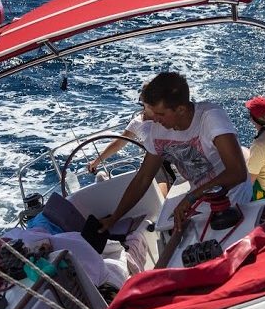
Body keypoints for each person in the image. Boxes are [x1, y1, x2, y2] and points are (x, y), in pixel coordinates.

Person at [99, 72, 249, 231]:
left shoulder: (211, 117)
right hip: (199, 203)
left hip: (234, 200)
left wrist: (191, 197)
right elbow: (143, 178)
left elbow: (237, 173)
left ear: (181, 110)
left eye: (160, 114)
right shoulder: (157, 131)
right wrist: (115, 217)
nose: (154, 119)